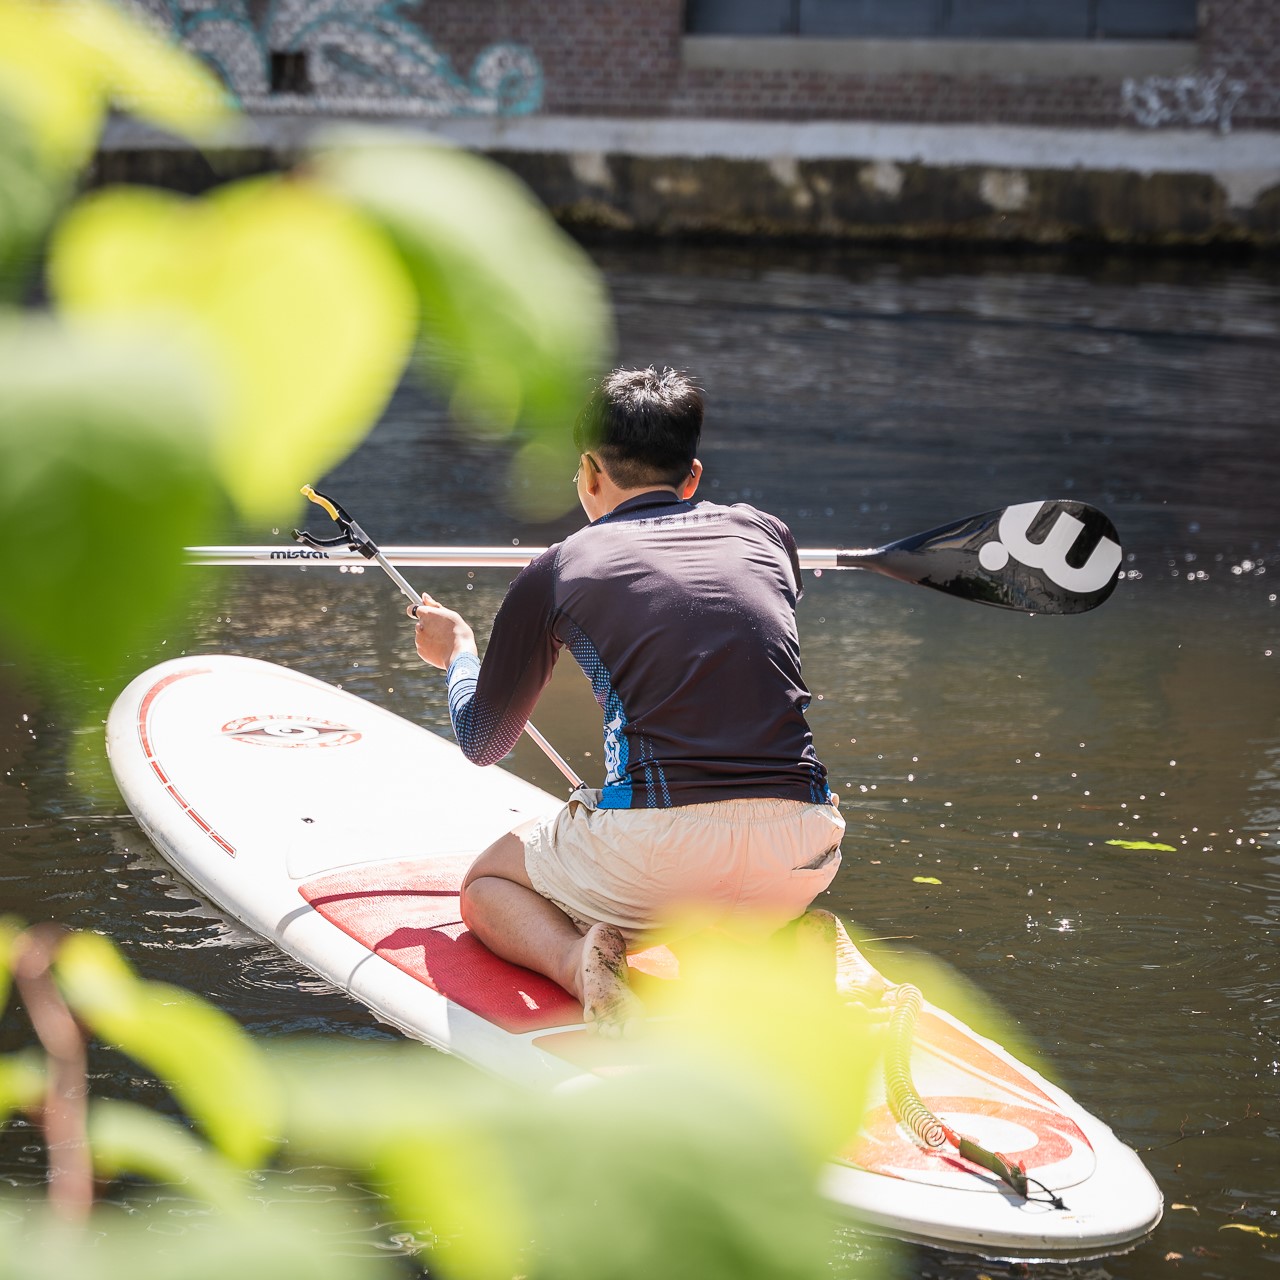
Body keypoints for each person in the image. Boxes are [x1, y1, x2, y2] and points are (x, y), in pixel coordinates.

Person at [411, 366, 884, 1035]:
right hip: (804, 844)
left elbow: (485, 741)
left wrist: (458, 651)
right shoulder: (767, 534)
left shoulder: (559, 567)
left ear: (588, 473)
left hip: (658, 855)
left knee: (488, 886)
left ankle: (579, 963)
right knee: (713, 899)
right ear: (692, 476)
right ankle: (783, 942)